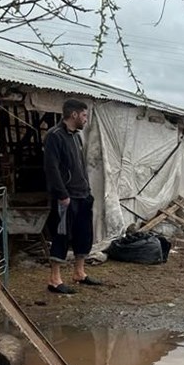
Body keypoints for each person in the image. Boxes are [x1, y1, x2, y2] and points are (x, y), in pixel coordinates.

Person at [43, 98, 101, 293]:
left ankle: (79, 273)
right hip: (66, 196)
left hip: (82, 194)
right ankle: (54, 279)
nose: (86, 119)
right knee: (61, 235)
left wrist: (88, 192)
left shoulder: (76, 136)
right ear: (74, 114)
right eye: (84, 115)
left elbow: (80, 166)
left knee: (83, 234)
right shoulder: (55, 136)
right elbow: (51, 168)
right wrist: (62, 194)